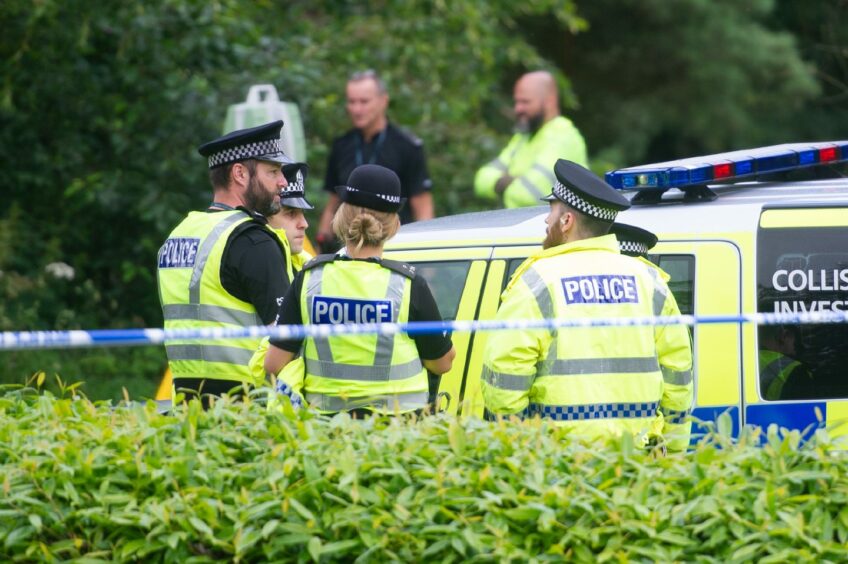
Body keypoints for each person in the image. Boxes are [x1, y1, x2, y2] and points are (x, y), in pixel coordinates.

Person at [482, 160, 694, 452]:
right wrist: (675, 451)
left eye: (551, 212)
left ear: (566, 221)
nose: (546, 222)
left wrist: (521, 453)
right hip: (638, 463)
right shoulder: (650, 282)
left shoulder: (536, 282)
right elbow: (678, 378)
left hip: (561, 466)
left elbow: (505, 380)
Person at [265, 164, 455, 416]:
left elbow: (273, 363)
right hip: (398, 434)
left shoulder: (309, 279)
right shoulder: (408, 284)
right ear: (394, 226)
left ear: (341, 218)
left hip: (325, 432)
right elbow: (442, 363)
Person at [157, 120, 310, 405]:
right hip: (247, 407)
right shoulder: (254, 242)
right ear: (239, 173)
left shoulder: (180, 234)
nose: (283, 182)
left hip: (187, 405)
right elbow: (288, 340)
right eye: (273, 171)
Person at [316, 70, 434, 252]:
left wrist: (425, 253)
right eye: (351, 102)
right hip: (348, 246)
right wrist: (322, 243)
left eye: (364, 102)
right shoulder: (341, 145)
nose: (356, 109)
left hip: (395, 246)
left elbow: (423, 208)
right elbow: (333, 202)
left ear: (383, 101)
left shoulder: (407, 146)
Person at [474, 71, 588, 208]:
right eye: (516, 102)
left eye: (525, 102)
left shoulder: (563, 135)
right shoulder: (522, 138)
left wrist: (503, 181)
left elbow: (528, 195)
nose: (517, 108)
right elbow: (480, 181)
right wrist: (512, 182)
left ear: (549, 101)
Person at [758, 324, 814, 400]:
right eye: (797, 338)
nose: (801, 346)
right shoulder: (796, 371)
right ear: (784, 336)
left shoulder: (743, 361)